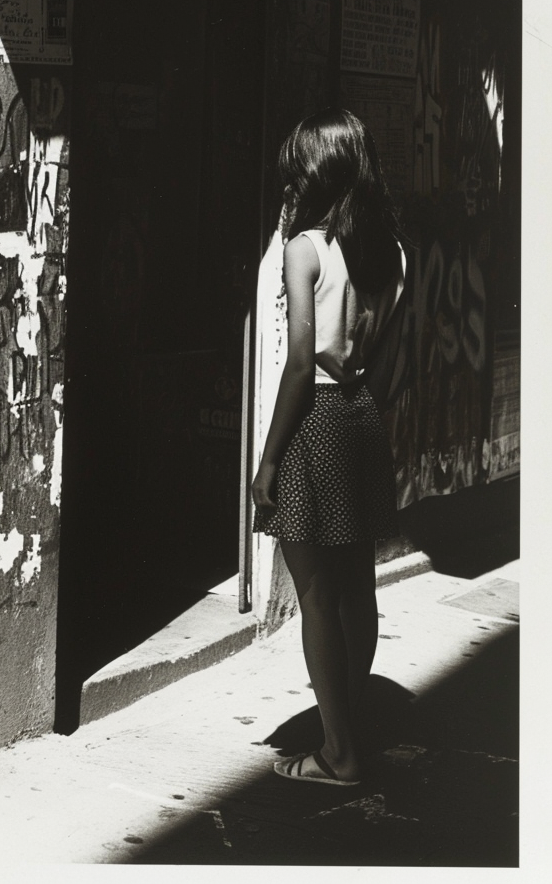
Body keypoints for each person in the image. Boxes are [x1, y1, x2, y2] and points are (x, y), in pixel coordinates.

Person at [252, 107, 406, 787]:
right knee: (358, 590)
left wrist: (267, 461)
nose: (290, 186)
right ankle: (353, 724)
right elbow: (384, 358)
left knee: (315, 596)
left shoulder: (305, 249)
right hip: (363, 417)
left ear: (318, 174)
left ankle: (337, 748)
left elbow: (300, 362)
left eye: (297, 173)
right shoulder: (390, 253)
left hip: (314, 421)